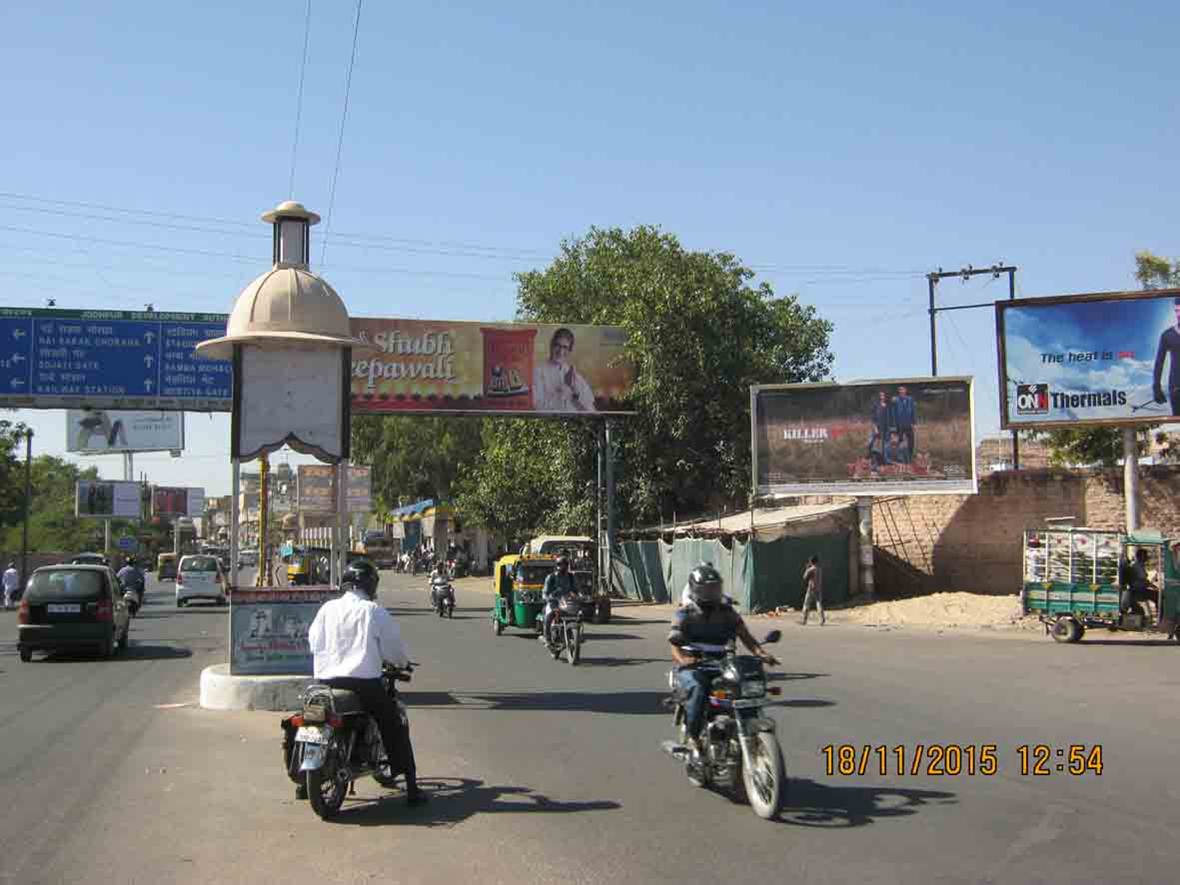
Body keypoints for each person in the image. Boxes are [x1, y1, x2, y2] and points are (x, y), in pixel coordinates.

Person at [307, 561, 427, 806]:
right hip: (363, 685)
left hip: (326, 681)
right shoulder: (373, 611)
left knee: (310, 717)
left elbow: (314, 642)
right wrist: (402, 663)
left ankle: (304, 783)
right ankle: (412, 788)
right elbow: (393, 650)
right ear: (370, 584)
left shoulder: (327, 609)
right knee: (394, 722)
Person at [668, 565, 779, 754]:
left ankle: (744, 730)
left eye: (715, 588)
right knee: (699, 689)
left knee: (746, 687)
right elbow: (674, 646)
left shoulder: (727, 613)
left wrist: (760, 653)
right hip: (694, 666)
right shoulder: (684, 614)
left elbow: (746, 636)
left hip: (723, 663)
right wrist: (683, 660)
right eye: (707, 589)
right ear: (695, 589)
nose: (712, 593)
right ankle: (694, 738)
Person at [532, 328, 597, 413]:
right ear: (551, 345)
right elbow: (538, 407)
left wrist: (574, 389)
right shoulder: (538, 371)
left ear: (570, 351)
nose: (561, 351)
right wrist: (565, 387)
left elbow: (590, 409)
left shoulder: (574, 375)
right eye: (557, 345)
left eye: (565, 347)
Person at [540, 556, 577, 644]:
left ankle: (576, 635)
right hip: (553, 602)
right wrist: (547, 597)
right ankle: (547, 638)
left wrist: (581, 596)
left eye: (565, 565)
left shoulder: (571, 577)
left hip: (566, 602)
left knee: (578, 615)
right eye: (560, 565)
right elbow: (545, 592)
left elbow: (576, 589)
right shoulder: (551, 577)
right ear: (556, 565)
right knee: (549, 616)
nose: (562, 567)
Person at [1153, 298, 1180, 416]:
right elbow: (1159, 363)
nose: (1179, 314)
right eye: (1177, 311)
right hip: (1176, 389)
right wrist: (1156, 388)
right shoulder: (1167, 335)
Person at [1121, 548, 1157, 615]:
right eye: (1146, 556)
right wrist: (1152, 586)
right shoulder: (1137, 566)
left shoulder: (1139, 565)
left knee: (1156, 594)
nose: (1147, 558)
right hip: (1138, 590)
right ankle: (1162, 616)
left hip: (1139, 588)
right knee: (1158, 596)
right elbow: (1143, 580)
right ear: (1142, 556)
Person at [892, 385, 916, 462]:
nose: (901, 391)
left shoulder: (910, 399)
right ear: (898, 392)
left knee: (911, 441)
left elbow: (913, 411)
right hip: (899, 424)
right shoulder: (896, 400)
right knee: (899, 441)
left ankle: (910, 457)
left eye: (902, 390)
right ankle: (899, 458)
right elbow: (893, 413)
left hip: (909, 424)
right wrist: (894, 425)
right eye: (900, 390)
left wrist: (914, 423)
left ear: (905, 391)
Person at [866, 391, 890, 465]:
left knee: (884, 446)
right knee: (872, 444)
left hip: (885, 429)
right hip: (877, 428)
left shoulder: (888, 406)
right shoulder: (876, 405)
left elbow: (889, 417)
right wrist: (875, 428)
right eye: (880, 395)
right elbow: (873, 418)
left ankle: (883, 461)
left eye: (883, 395)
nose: (882, 397)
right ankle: (871, 460)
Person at [801, 555, 825, 625]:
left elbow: (804, 577)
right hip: (818, 588)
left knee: (806, 604)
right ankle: (822, 619)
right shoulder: (819, 569)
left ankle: (804, 620)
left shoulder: (811, 569)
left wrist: (807, 568)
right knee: (819, 604)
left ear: (811, 562)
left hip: (811, 588)